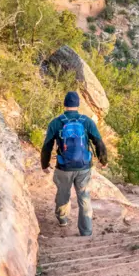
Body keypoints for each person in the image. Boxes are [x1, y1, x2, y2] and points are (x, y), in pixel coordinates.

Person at [40, 91, 108, 236]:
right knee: (84, 197)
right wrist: (103, 160)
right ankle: (86, 231)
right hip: (83, 167)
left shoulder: (56, 122)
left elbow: (47, 146)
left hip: (63, 167)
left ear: (65, 104)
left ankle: (62, 219)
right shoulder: (87, 121)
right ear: (78, 104)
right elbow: (98, 142)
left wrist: (45, 165)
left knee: (63, 194)